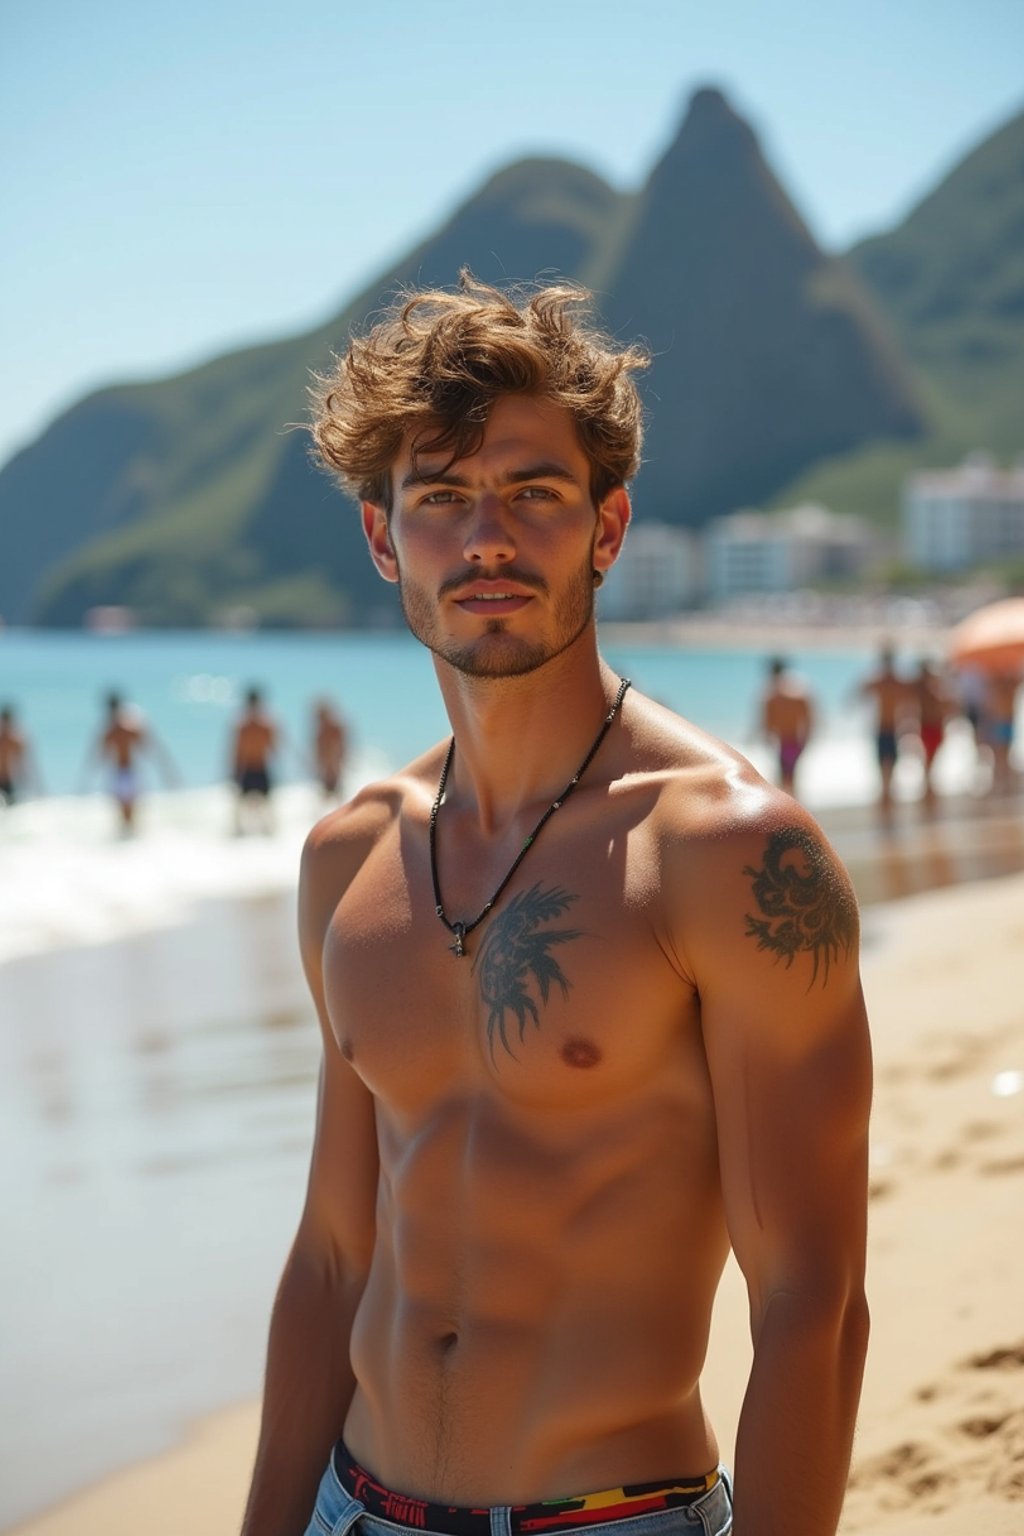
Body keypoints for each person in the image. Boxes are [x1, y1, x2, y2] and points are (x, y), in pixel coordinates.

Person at [241, 277, 871, 1536]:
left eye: (534, 492)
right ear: (383, 540)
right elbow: (328, 1258)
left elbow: (809, 1297)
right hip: (350, 1509)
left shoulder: (726, 855)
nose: (486, 538)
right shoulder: (347, 860)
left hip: (610, 1516)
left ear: (608, 525)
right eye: (441, 498)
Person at [82, 691, 176, 832]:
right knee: (125, 813)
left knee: (128, 813)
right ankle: (130, 840)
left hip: (126, 773)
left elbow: (98, 757)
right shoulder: (114, 730)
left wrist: (165, 770)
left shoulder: (119, 729)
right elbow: (99, 756)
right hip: (123, 773)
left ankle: (130, 840)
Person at [856, 647, 912, 820]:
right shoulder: (893, 681)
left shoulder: (884, 681)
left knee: (887, 773)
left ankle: (887, 813)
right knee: (886, 773)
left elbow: (858, 694)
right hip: (888, 729)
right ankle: (887, 813)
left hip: (888, 729)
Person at [757, 656, 814, 798]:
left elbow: (766, 723)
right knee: (790, 778)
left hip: (784, 742)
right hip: (795, 740)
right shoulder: (798, 690)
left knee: (785, 779)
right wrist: (807, 739)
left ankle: (792, 812)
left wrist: (766, 740)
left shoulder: (771, 695)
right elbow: (809, 717)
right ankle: (795, 808)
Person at [232, 686, 281, 834]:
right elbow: (237, 750)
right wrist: (235, 768)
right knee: (242, 801)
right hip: (248, 766)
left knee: (265, 800)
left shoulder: (263, 724)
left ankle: (267, 828)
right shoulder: (244, 725)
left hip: (260, 765)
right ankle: (240, 829)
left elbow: (273, 747)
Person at [908, 659, 951, 810]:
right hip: (928, 726)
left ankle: (928, 788)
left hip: (934, 725)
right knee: (929, 760)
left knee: (931, 759)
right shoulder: (922, 688)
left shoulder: (933, 687)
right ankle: (928, 789)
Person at [983, 670, 1021, 795]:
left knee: (1004, 756)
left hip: (1006, 723)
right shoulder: (996, 688)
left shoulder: (1008, 688)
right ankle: (999, 783)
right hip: (999, 724)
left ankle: (1004, 783)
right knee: (999, 756)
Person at [0, 703, 40, 804]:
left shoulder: (15, 741)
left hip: (7, 782)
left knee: (9, 807)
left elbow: (26, 765)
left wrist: (35, 786)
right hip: (6, 781)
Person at [312, 698, 349, 799]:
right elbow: (318, 752)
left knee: (338, 796)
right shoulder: (320, 732)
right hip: (326, 770)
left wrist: (339, 763)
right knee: (326, 796)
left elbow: (342, 747)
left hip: (335, 768)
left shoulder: (335, 729)